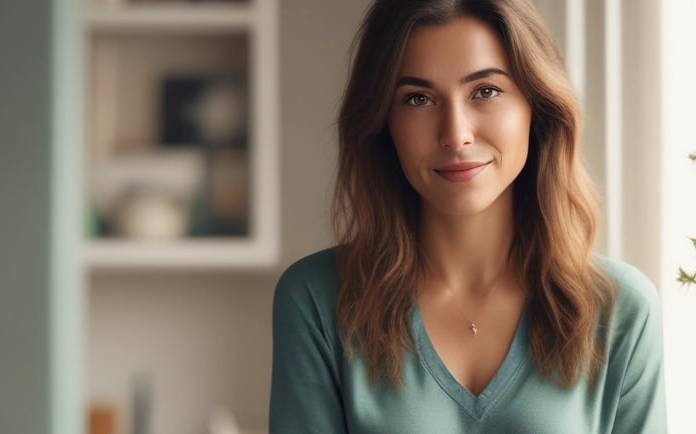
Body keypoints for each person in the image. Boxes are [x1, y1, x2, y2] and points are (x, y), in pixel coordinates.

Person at [269, 0, 666, 432]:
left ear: (537, 106)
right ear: (384, 122)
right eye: (418, 99)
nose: (455, 134)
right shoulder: (317, 299)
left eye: (486, 91)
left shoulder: (620, 310)